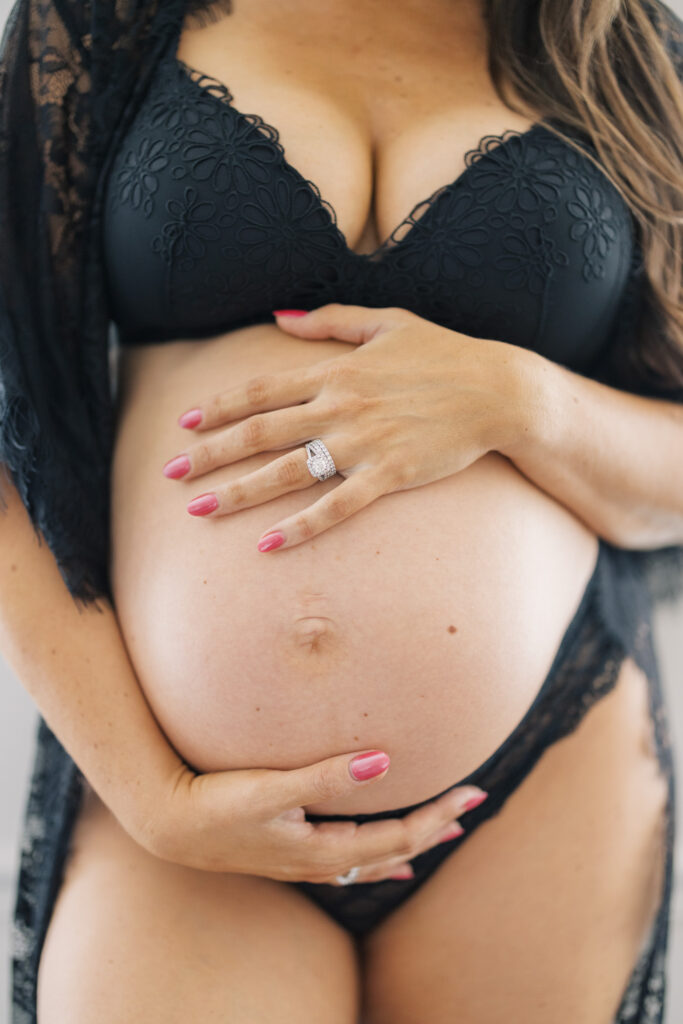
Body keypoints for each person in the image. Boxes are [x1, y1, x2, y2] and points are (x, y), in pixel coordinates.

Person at [1, 0, 682, 1021]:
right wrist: (151, 796)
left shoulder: (625, 45)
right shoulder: (99, 21)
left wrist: (522, 401)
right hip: (171, 788)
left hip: (539, 771)